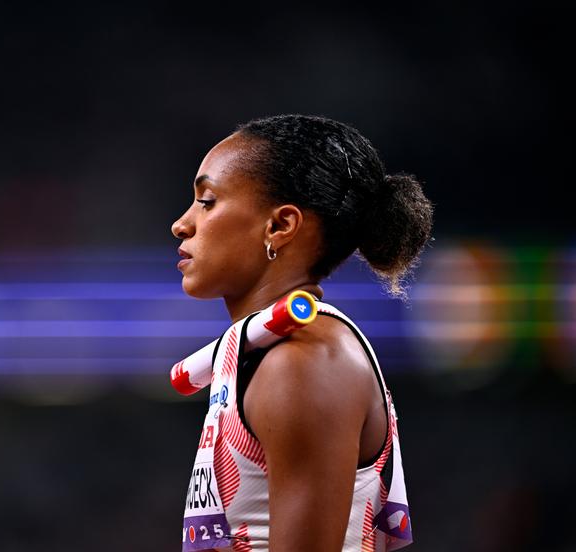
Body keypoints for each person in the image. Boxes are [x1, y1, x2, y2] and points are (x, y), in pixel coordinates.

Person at [172, 114, 433, 552]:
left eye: (208, 200)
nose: (182, 223)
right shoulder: (259, 352)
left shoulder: (303, 361)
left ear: (280, 226)